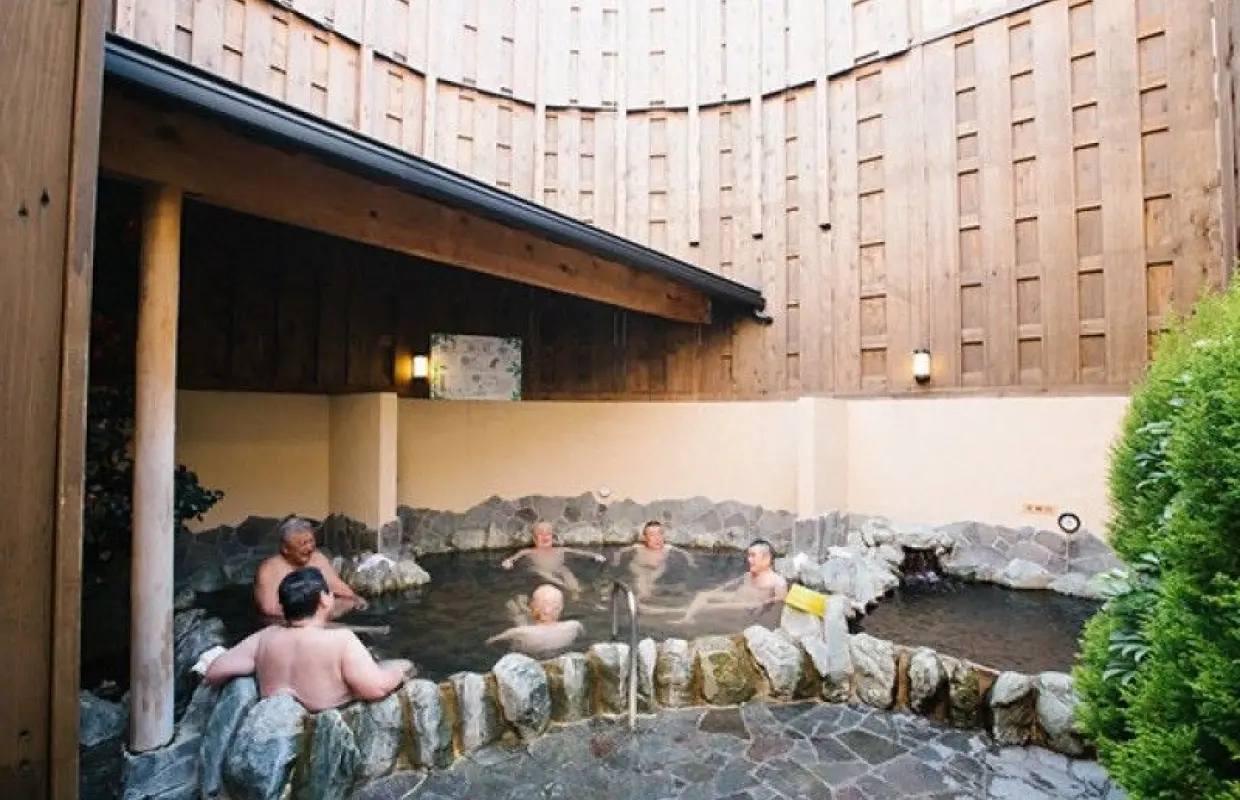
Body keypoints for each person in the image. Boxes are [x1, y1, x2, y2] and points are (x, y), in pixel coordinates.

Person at [204, 567, 414, 711]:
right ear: (324, 599)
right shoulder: (341, 639)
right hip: (328, 717)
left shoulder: (264, 637)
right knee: (403, 665)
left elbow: (214, 672)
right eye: (330, 593)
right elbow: (375, 689)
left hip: (277, 713)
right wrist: (399, 672)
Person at [649, 539, 788, 625]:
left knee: (709, 608)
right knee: (703, 595)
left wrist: (764, 603)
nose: (749, 560)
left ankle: (681, 614)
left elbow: (781, 600)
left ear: (766, 558)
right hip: (736, 599)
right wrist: (715, 591)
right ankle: (685, 617)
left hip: (745, 607)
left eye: (753, 556)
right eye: (748, 555)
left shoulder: (777, 581)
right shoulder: (749, 575)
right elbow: (731, 584)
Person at [253, 516, 366, 620]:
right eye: (303, 543)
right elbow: (269, 609)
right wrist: (309, 616)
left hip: (317, 616)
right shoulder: (269, 569)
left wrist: (356, 599)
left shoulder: (317, 559)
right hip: (284, 622)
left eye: (311, 541)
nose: (309, 547)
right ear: (285, 548)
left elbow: (339, 587)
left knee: (348, 601)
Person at [500, 521, 606, 598]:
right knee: (539, 571)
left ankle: (575, 590)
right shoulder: (529, 551)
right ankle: (564, 586)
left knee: (565, 570)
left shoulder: (560, 550)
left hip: (558, 568)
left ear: (552, 537)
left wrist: (594, 555)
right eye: (541, 534)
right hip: (540, 569)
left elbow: (579, 552)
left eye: (548, 534)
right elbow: (515, 557)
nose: (545, 536)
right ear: (535, 539)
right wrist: (508, 561)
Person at [486, 583, 585, 659]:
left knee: (518, 617)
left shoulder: (518, 633)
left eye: (532, 601)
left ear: (533, 606)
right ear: (561, 608)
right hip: (559, 656)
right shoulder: (574, 627)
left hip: (530, 659)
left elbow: (489, 644)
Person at [613, 520, 697, 601]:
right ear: (645, 537)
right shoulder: (638, 547)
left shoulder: (667, 548)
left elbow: (685, 552)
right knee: (641, 579)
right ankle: (642, 596)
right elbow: (620, 551)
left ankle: (646, 596)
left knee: (651, 582)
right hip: (640, 567)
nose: (657, 538)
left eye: (660, 534)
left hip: (657, 568)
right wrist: (616, 561)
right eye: (652, 535)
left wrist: (691, 562)